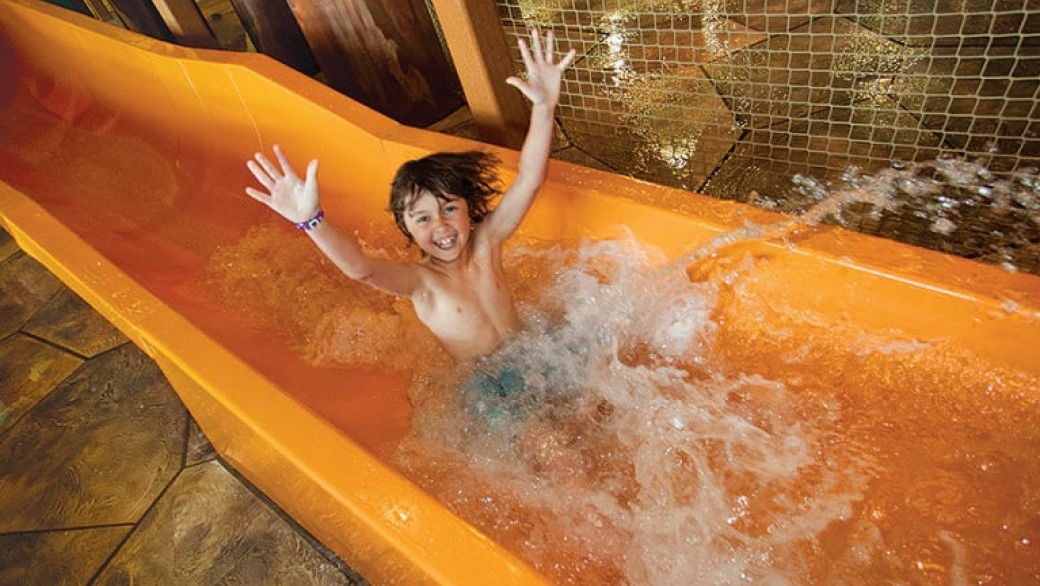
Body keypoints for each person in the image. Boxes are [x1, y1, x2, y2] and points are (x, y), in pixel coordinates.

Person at [246, 29, 576, 362]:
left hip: (532, 355)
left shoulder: (487, 243)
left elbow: (530, 180)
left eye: (449, 208)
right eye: (423, 218)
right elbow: (361, 269)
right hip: (490, 385)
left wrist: (544, 107)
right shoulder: (421, 282)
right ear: (408, 229)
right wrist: (311, 221)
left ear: (469, 208)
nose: (442, 225)